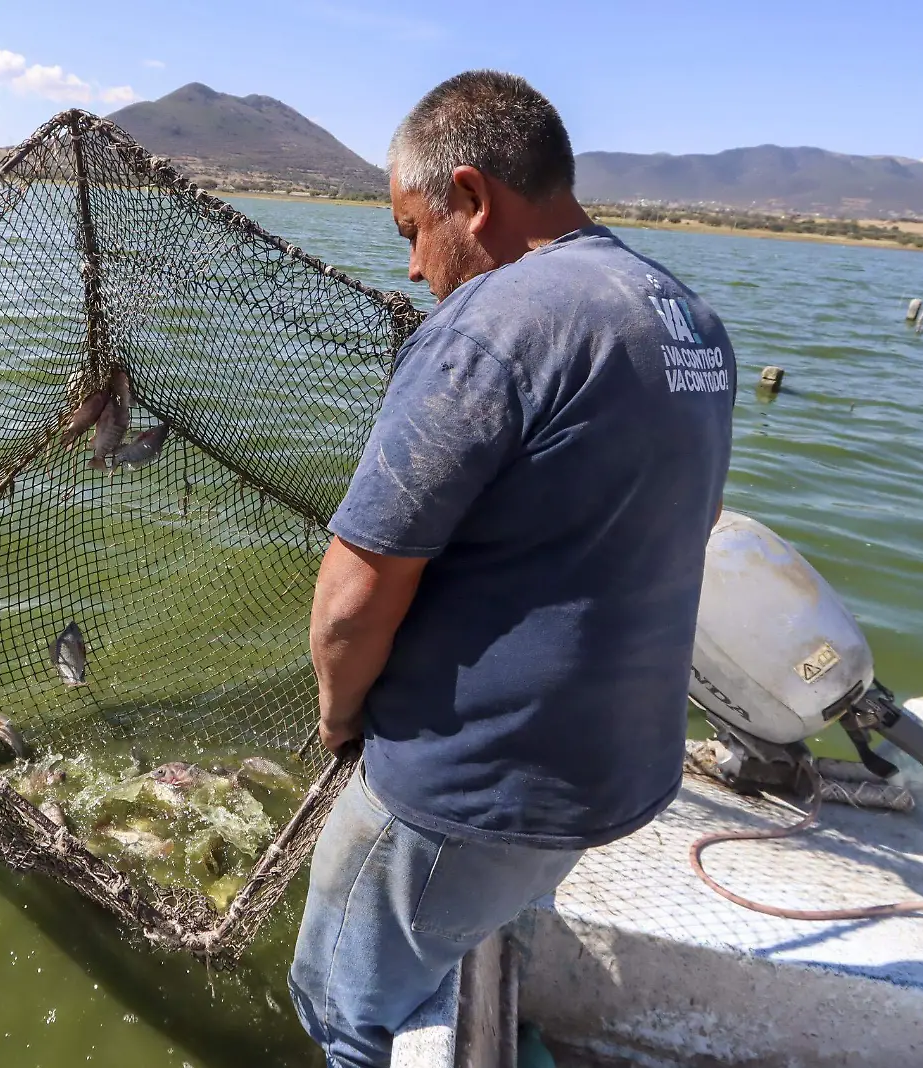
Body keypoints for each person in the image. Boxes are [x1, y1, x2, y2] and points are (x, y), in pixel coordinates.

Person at [289, 71, 737, 1067]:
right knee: (479, 932)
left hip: (475, 781)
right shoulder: (685, 315)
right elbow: (693, 522)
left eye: (412, 230)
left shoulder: (496, 322)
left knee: (340, 1012)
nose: (411, 269)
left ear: (472, 197)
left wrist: (337, 714)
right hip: (617, 773)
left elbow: (354, 594)